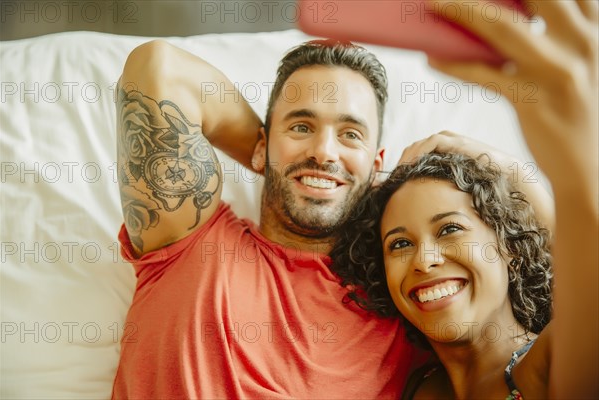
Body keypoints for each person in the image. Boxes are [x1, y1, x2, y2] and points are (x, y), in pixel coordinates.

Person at [112, 7, 554, 400]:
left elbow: (571, 280)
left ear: (376, 163)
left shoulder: (406, 292)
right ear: (262, 147)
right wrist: (292, 162)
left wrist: (505, 168)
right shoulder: (186, 235)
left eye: (350, 135)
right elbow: (159, 69)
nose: (325, 149)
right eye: (301, 126)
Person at [331, 1, 598, 398]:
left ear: (512, 248)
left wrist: (567, 168)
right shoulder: (414, 384)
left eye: (451, 229)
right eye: (400, 244)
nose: (424, 260)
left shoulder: (551, 367)